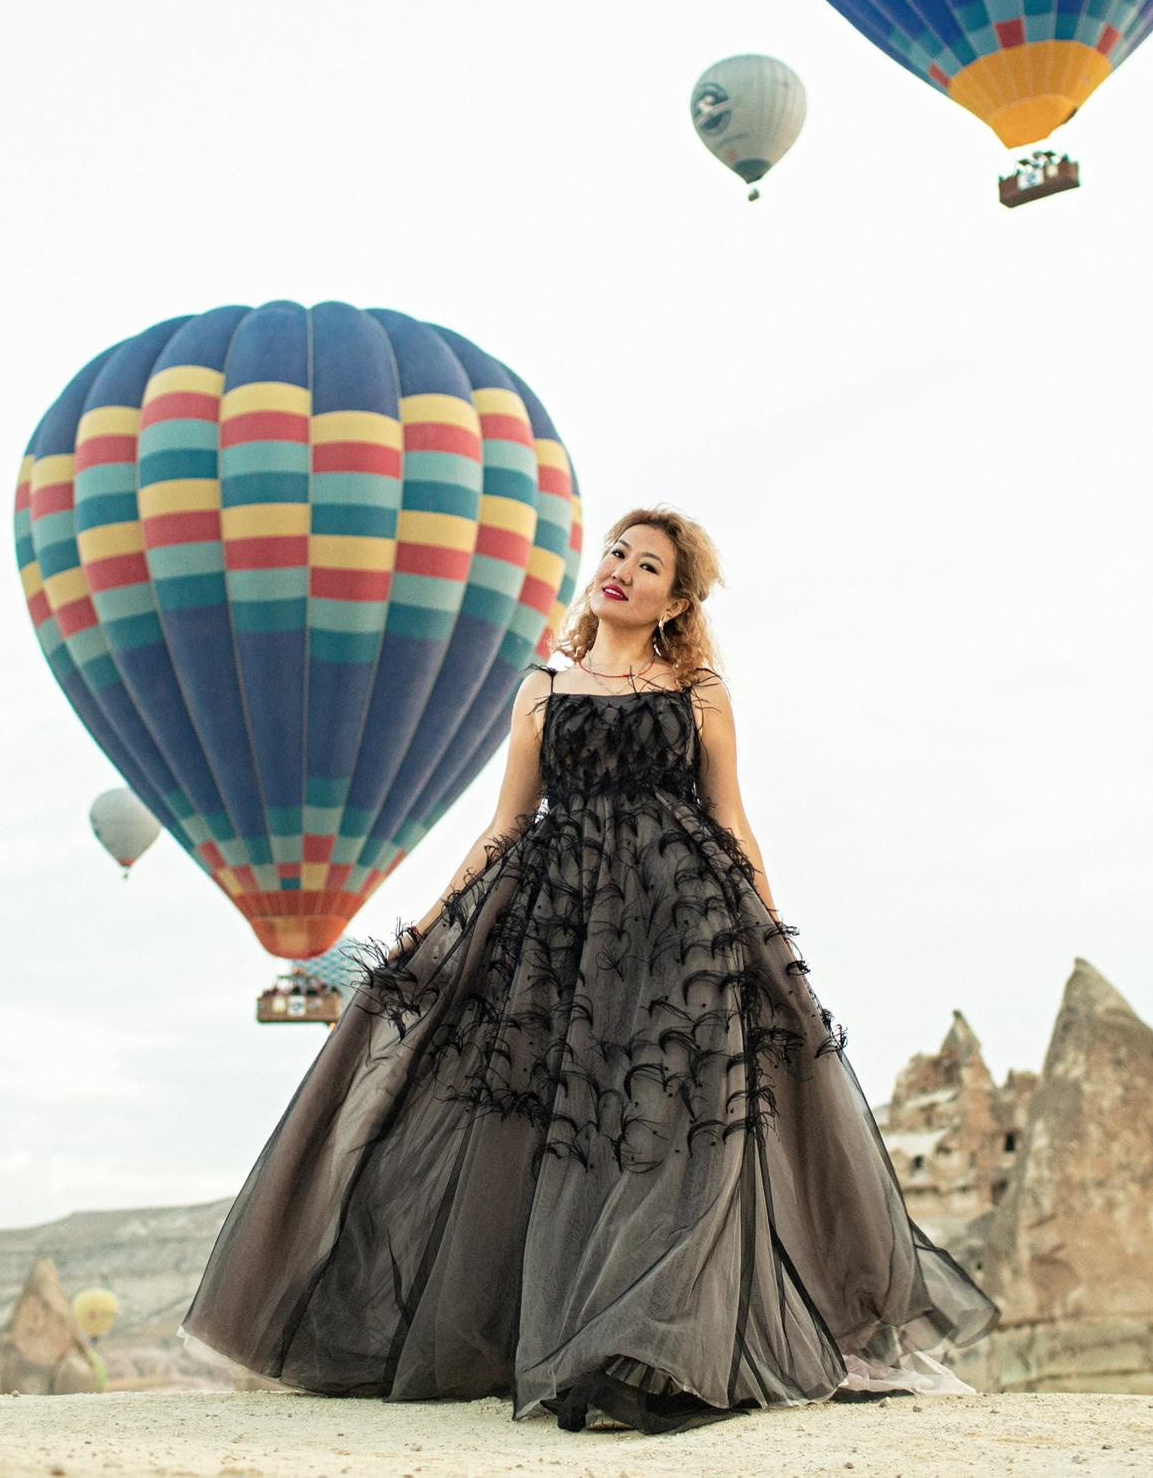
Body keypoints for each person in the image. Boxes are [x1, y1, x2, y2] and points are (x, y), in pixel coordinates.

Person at [180, 506, 995, 1434]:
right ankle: (565, 1340)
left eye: (647, 565)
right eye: (615, 552)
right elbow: (504, 824)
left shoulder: (701, 691)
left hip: (679, 924)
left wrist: (771, 933)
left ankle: (649, 1345)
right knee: (554, 1125)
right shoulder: (542, 687)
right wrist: (437, 923)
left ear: (676, 600)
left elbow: (730, 818)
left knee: (673, 1126)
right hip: (560, 923)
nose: (620, 570)